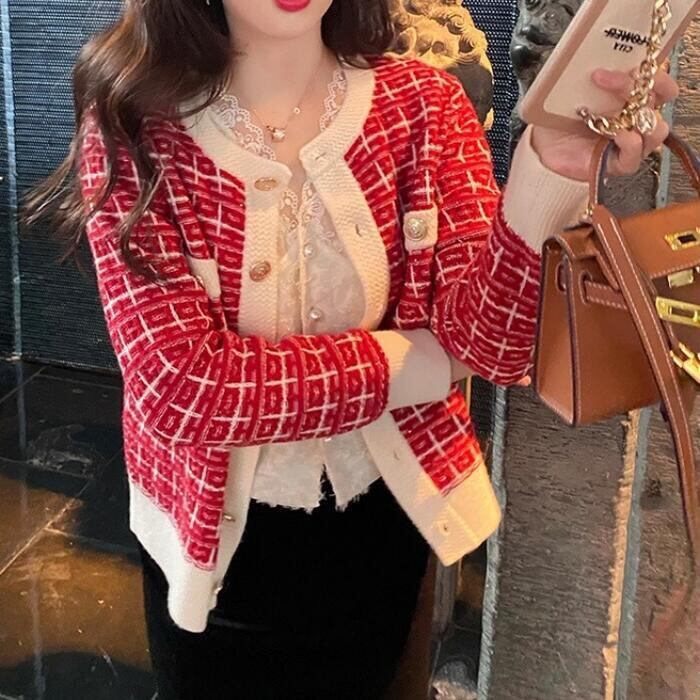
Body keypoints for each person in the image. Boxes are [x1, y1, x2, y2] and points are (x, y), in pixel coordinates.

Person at [21, 0, 678, 698]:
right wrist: (423, 363)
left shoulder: (424, 105)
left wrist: (554, 169)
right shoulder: (136, 123)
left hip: (388, 521)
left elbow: (493, 345)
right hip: (210, 542)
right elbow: (182, 389)